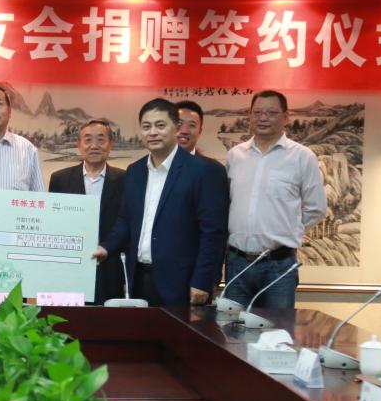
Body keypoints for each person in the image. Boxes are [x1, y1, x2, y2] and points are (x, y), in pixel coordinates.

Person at [93, 98, 228, 307]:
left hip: (183, 283)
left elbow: (213, 232)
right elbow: (126, 220)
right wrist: (106, 248)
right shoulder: (135, 171)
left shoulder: (202, 171)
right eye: (146, 127)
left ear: (176, 128)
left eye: (160, 125)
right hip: (139, 277)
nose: (153, 132)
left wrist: (202, 280)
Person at [224, 90, 328, 309]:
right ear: (250, 115)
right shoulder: (235, 155)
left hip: (278, 265)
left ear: (286, 117)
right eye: (257, 112)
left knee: (277, 329)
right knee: (231, 328)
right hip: (236, 263)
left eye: (271, 113)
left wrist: (287, 230)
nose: (263, 118)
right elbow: (227, 202)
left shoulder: (302, 156)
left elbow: (316, 208)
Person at [48, 120, 126, 303]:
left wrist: (108, 248)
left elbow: (127, 221)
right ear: (79, 145)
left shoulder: (125, 179)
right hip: (70, 266)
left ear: (110, 144)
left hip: (109, 266)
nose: (94, 146)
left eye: (101, 140)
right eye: (88, 140)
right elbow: (53, 223)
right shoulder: (60, 179)